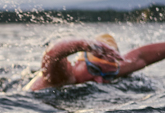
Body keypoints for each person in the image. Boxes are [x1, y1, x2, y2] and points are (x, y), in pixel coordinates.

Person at [25, 33, 165, 91]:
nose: (99, 80)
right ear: (79, 62)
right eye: (94, 70)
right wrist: (82, 45)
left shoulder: (109, 70)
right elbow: (52, 55)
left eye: (108, 75)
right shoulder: (64, 76)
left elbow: (141, 57)